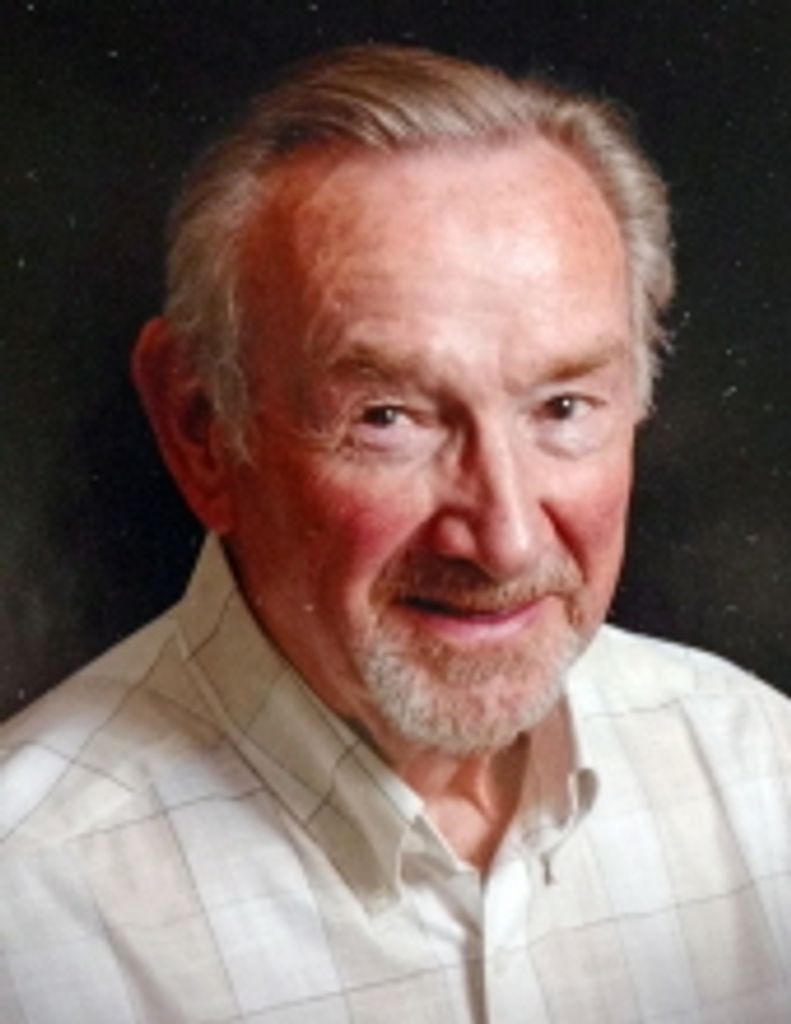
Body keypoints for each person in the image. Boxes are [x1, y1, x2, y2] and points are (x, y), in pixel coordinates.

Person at [1, 45, 789, 1024]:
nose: (502, 541)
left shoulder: (760, 775)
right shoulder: (26, 916)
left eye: (561, 406)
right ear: (200, 431)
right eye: (387, 418)